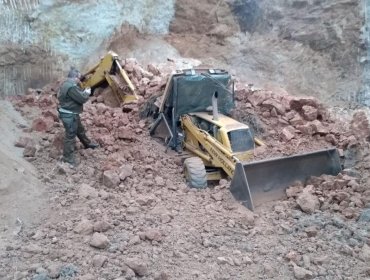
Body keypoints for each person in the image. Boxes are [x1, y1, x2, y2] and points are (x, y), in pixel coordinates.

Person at [57, 68, 99, 166]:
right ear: (75, 77)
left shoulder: (66, 84)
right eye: (79, 78)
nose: (79, 80)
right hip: (69, 115)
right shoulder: (71, 87)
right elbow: (82, 98)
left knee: (80, 130)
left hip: (71, 113)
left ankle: (87, 144)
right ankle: (68, 158)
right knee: (70, 136)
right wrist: (87, 92)